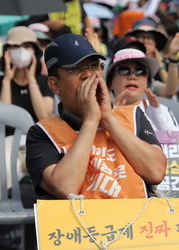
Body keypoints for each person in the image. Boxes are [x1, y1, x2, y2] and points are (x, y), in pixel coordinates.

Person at [25, 33, 166, 200]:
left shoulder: (132, 115)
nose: (87, 75)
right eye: (75, 69)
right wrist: (91, 121)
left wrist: (107, 117)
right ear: (55, 85)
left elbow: (156, 172)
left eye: (93, 66)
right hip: (84, 225)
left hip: (139, 222)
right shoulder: (41, 133)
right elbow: (66, 187)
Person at [105, 44, 179, 132]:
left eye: (140, 71)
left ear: (147, 82)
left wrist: (157, 116)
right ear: (110, 83)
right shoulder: (102, 113)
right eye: (124, 70)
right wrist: (113, 114)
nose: (133, 76)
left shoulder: (161, 110)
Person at [0, 25, 54, 122]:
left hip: (35, 136)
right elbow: (3, 118)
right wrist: (6, 80)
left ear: (34, 52)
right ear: (7, 53)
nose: (21, 51)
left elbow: (43, 116)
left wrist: (32, 80)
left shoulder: (44, 81)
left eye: (26, 46)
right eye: (15, 46)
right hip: (7, 136)